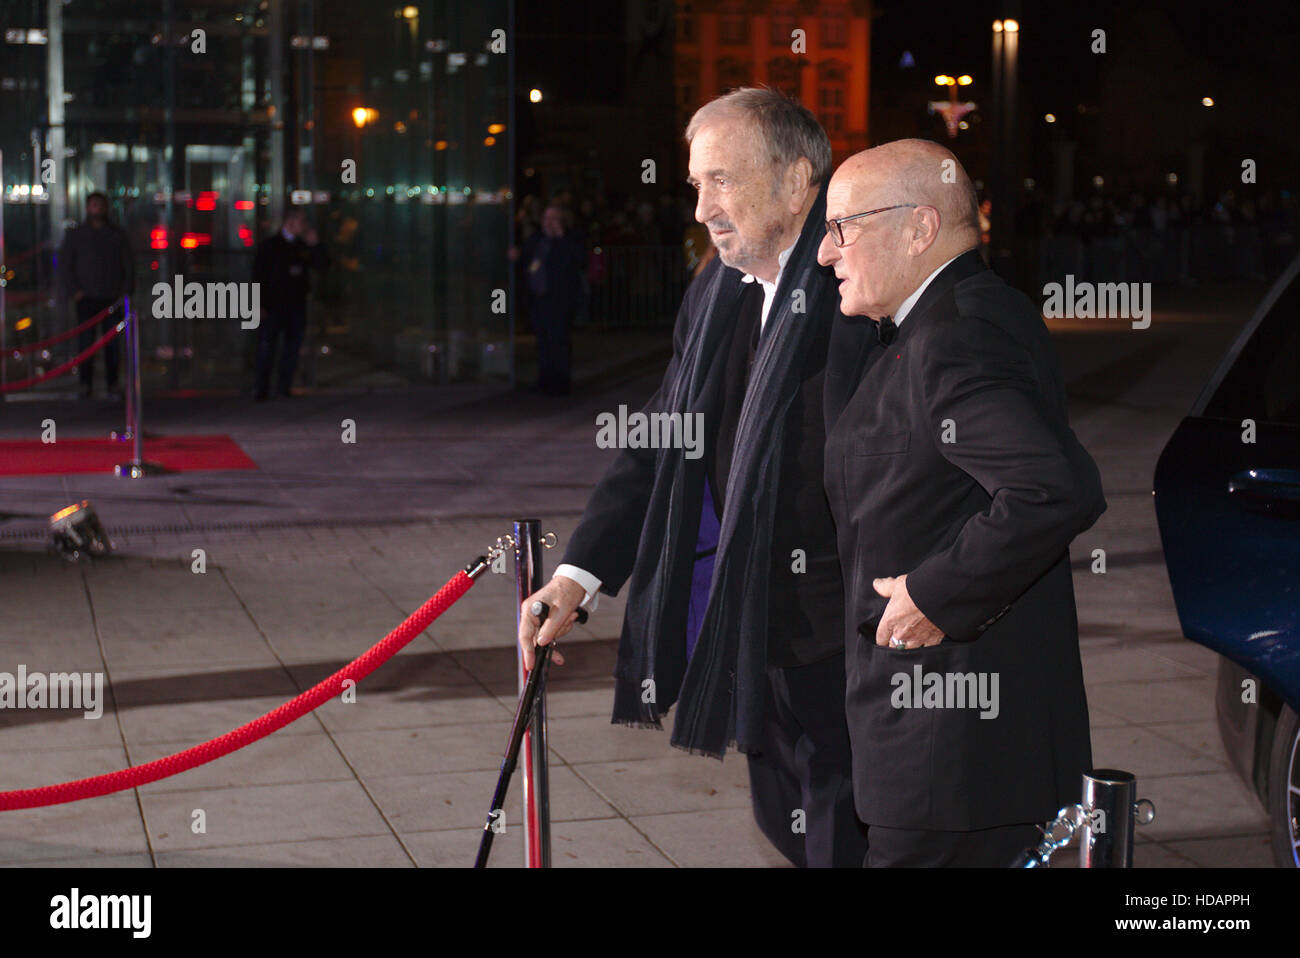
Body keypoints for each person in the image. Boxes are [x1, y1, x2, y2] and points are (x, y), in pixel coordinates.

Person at [517, 88, 869, 867]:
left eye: (723, 180)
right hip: (747, 625)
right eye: (696, 183)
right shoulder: (717, 287)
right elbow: (660, 437)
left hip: (844, 639)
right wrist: (579, 575)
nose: (703, 206)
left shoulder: (859, 291)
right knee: (787, 827)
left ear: (796, 179)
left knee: (848, 835)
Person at [817, 139, 1106, 867]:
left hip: (952, 757)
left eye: (842, 227)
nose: (826, 253)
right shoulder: (946, 320)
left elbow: (1051, 487)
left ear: (918, 228)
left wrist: (933, 594)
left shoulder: (957, 334)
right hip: (950, 746)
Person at [60, 192, 133, 401]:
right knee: (85, 344)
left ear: (106, 208)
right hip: (86, 299)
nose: (96, 209)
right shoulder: (76, 235)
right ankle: (85, 385)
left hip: (111, 297)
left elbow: (128, 265)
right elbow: (66, 265)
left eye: (100, 205)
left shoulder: (117, 235)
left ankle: (112, 385)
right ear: (87, 208)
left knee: (113, 346)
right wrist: (75, 291)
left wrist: (125, 292)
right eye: (93, 205)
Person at [252, 209, 328, 400]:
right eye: (301, 221)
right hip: (273, 306)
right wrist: (259, 304)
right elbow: (258, 276)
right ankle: (262, 388)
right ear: (290, 221)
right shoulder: (270, 246)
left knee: (292, 348)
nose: (304, 226)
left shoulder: (302, 246)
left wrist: (316, 246)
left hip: (296, 306)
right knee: (267, 347)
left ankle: (283, 387)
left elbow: (323, 265)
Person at [521, 204, 584, 395]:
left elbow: (580, 259)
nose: (549, 223)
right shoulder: (537, 239)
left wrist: (562, 236)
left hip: (559, 300)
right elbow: (526, 258)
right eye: (546, 219)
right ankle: (545, 378)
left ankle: (561, 381)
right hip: (538, 298)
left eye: (553, 219)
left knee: (558, 340)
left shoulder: (569, 240)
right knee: (543, 342)